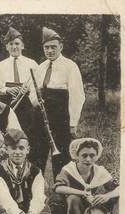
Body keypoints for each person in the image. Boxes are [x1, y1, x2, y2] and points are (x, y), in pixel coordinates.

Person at [30, 27, 85, 177]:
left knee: (61, 157)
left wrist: (73, 123)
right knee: (36, 154)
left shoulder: (70, 66)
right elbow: (32, 92)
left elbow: (77, 95)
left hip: (60, 117)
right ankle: (35, 191)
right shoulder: (40, 67)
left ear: (61, 46)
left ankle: (60, 194)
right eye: (46, 47)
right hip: (40, 117)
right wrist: (36, 101)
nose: (50, 51)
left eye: (53, 47)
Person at [0, 129, 53, 214]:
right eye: (13, 148)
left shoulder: (35, 171)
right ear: (6, 150)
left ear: (28, 150)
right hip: (11, 213)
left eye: (21, 148)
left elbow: (38, 197)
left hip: (31, 213)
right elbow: (5, 200)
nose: (17, 152)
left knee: (50, 205)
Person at [53, 138, 119, 214]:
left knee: (118, 197)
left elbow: (120, 188)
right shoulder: (69, 169)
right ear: (77, 156)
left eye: (92, 155)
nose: (88, 159)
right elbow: (58, 188)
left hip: (90, 203)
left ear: (96, 156)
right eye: (84, 155)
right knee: (73, 198)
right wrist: (82, 193)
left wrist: (107, 196)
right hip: (70, 207)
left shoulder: (99, 170)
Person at [0, 27, 38, 153]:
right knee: (9, 134)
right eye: (11, 44)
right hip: (8, 103)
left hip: (27, 104)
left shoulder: (32, 63)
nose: (14, 47)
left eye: (17, 44)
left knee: (28, 135)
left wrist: (31, 103)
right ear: (6, 47)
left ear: (22, 46)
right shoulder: (0, 65)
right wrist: (7, 90)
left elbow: (36, 87)